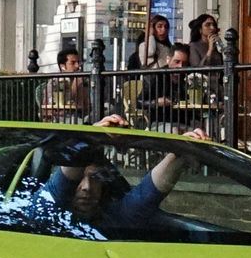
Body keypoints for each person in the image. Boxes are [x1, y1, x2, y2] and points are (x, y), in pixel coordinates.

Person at [38, 122, 207, 232]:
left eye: (95, 177)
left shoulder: (115, 218)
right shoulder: (43, 211)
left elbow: (147, 194)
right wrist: (92, 136)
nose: (87, 187)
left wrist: (180, 152)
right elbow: (61, 184)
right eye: (79, 179)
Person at [40, 43, 92, 121]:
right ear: (62, 67)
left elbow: (87, 104)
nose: (77, 66)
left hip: (82, 116)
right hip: (61, 117)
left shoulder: (83, 81)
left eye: (78, 62)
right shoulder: (55, 83)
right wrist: (75, 86)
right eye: (73, 63)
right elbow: (60, 104)